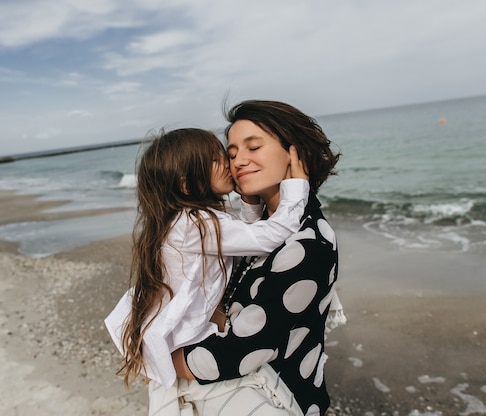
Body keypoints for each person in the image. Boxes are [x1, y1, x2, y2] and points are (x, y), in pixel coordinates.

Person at [104, 127, 310, 412]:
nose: (229, 162)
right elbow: (269, 237)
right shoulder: (197, 224)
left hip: (178, 331)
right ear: (187, 185)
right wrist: (297, 187)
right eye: (216, 159)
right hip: (184, 337)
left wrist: (250, 202)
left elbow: (243, 239)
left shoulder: (188, 221)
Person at [172, 100, 344, 416]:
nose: (238, 161)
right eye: (232, 153)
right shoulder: (263, 226)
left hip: (279, 401)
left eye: (253, 147)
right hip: (242, 395)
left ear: (296, 154)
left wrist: (166, 360)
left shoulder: (308, 243)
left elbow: (243, 351)